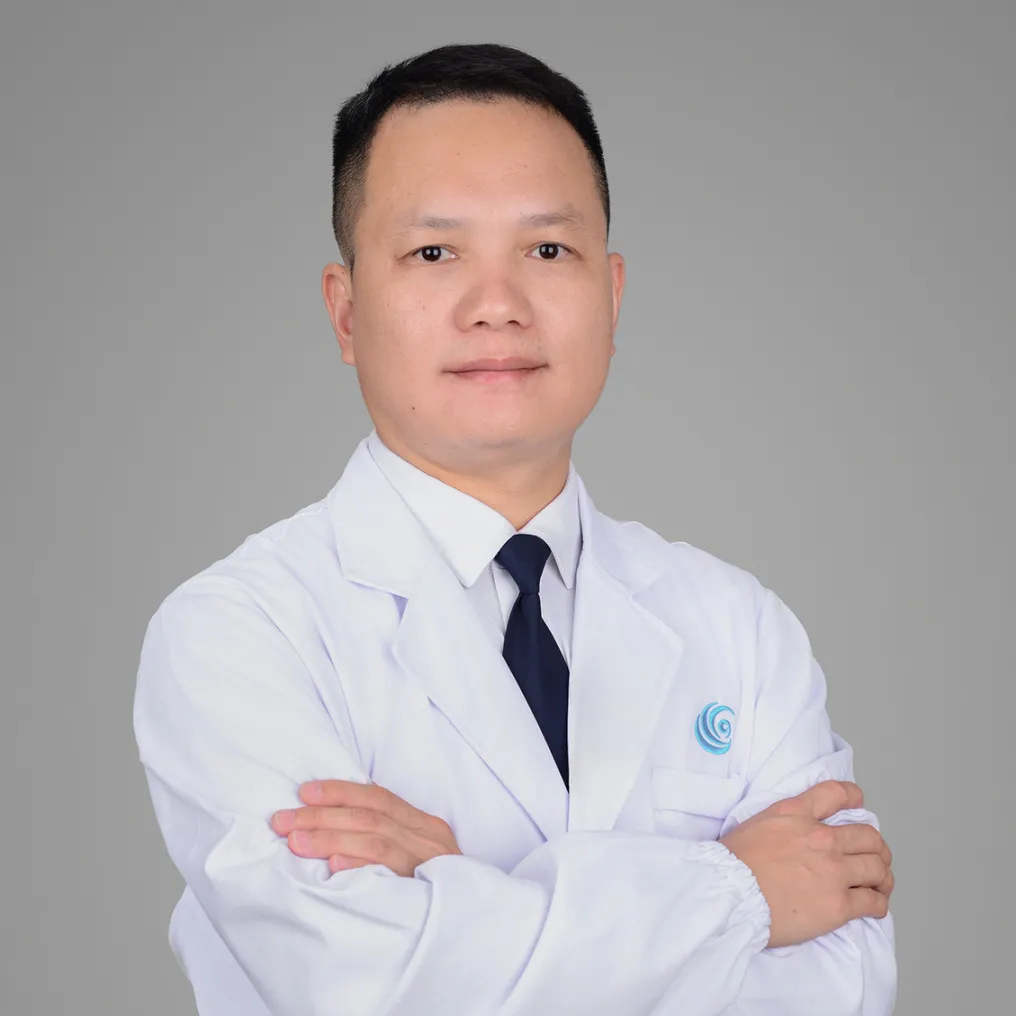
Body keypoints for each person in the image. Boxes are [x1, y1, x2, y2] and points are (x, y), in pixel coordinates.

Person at [133, 42, 896, 1015]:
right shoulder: (239, 632)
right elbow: (364, 990)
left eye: (545, 250)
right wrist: (737, 889)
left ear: (611, 296)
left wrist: (462, 895)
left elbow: (844, 987)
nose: (496, 305)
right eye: (434, 253)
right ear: (346, 312)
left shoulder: (738, 628)